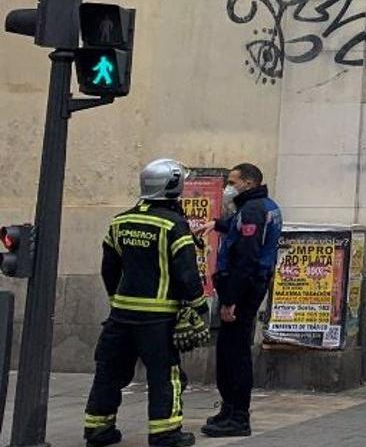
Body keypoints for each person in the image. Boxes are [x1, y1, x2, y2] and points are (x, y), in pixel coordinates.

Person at [83, 159, 207, 447]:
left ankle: (98, 430)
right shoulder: (174, 225)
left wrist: (117, 301)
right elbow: (187, 274)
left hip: (121, 316)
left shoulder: (120, 221)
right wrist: (199, 307)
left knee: (109, 372)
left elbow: (109, 268)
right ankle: (165, 434)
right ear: (174, 186)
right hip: (159, 319)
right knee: (166, 375)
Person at [196, 163, 283, 438]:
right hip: (250, 284)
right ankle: (230, 409)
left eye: (232, 182)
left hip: (243, 287)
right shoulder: (262, 206)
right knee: (231, 349)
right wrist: (217, 224)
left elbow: (246, 256)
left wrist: (230, 299)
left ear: (248, 183)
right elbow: (242, 229)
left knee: (233, 352)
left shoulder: (253, 210)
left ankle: (237, 416)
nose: (227, 187)